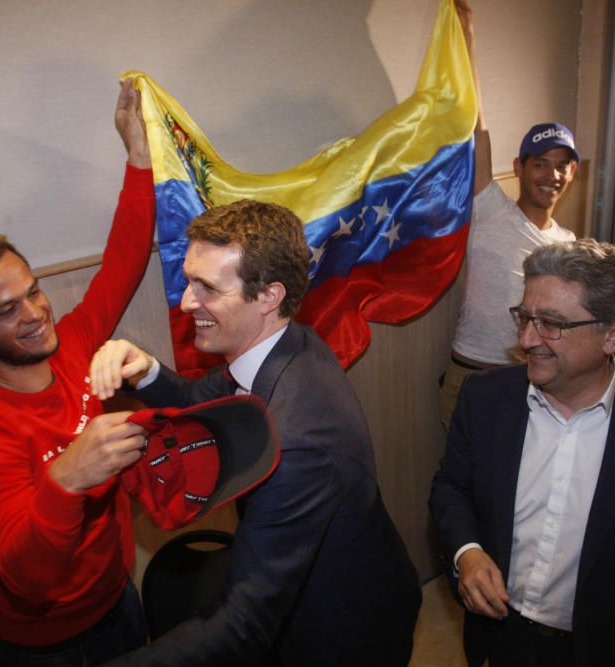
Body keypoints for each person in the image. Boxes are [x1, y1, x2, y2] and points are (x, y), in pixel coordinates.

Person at [89, 199, 422, 667]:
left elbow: (242, 625)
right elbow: (203, 402)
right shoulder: (282, 344)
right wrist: (144, 370)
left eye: (206, 288)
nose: (186, 302)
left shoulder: (296, 442)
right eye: (188, 281)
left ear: (268, 296)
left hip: (341, 629)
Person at [0, 79, 154, 666]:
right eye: (6, 310)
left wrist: (139, 158)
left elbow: (123, 261)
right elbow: (27, 576)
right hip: (51, 645)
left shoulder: (70, 344)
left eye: (34, 291)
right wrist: (68, 476)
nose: (37, 314)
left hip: (121, 598)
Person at [430, 239, 615, 667]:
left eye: (551, 324)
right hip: (501, 639)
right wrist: (467, 553)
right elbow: (451, 487)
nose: (528, 339)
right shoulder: (484, 398)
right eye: (525, 317)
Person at [439, 0, 579, 431]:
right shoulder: (491, 208)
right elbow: (477, 134)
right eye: (540, 163)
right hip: (470, 374)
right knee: (466, 484)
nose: (551, 175)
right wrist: (469, 37)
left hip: (532, 381)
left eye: (562, 165)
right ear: (519, 169)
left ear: (573, 173)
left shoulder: (568, 244)